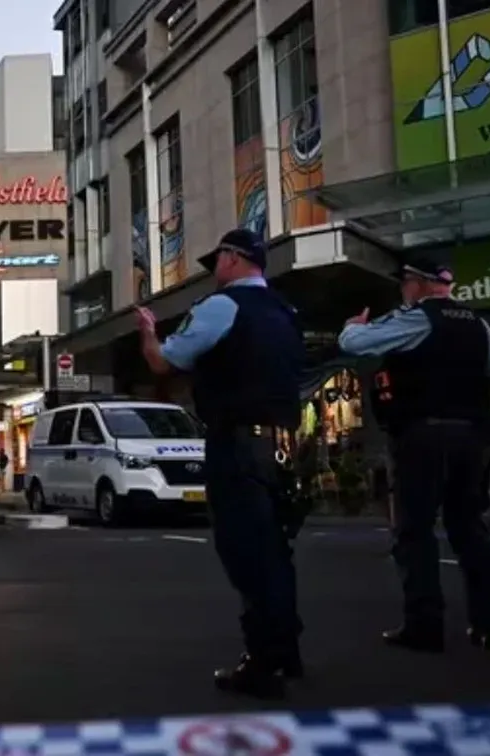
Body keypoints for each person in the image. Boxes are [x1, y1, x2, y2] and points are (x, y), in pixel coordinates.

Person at [135, 228, 305, 699]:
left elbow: (164, 363)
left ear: (233, 258)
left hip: (237, 444)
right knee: (277, 551)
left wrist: (149, 334)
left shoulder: (222, 306)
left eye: (218, 261)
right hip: (284, 444)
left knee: (246, 551)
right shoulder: (286, 311)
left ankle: (263, 663)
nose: (214, 272)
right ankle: (286, 648)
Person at [337, 259, 490, 652]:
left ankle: (424, 624)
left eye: (405, 284)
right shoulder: (475, 321)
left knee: (415, 530)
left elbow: (353, 345)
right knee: (470, 529)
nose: (403, 291)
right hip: (470, 436)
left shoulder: (418, 319)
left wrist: (354, 326)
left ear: (418, 284)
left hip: (423, 434)